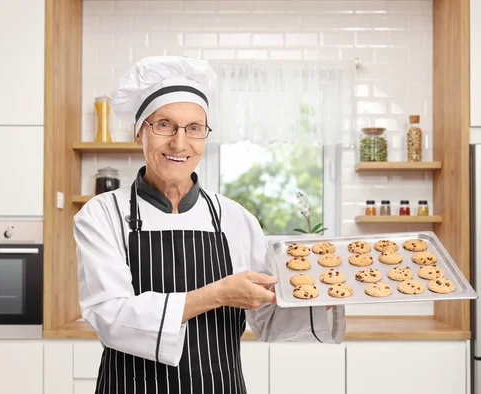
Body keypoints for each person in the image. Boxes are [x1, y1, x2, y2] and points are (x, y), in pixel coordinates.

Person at [74, 56, 346, 394]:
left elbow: (268, 320)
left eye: (194, 128)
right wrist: (217, 294)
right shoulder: (101, 215)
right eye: (164, 125)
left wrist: (321, 293)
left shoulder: (235, 217)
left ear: (205, 135)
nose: (179, 142)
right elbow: (110, 317)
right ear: (139, 131)